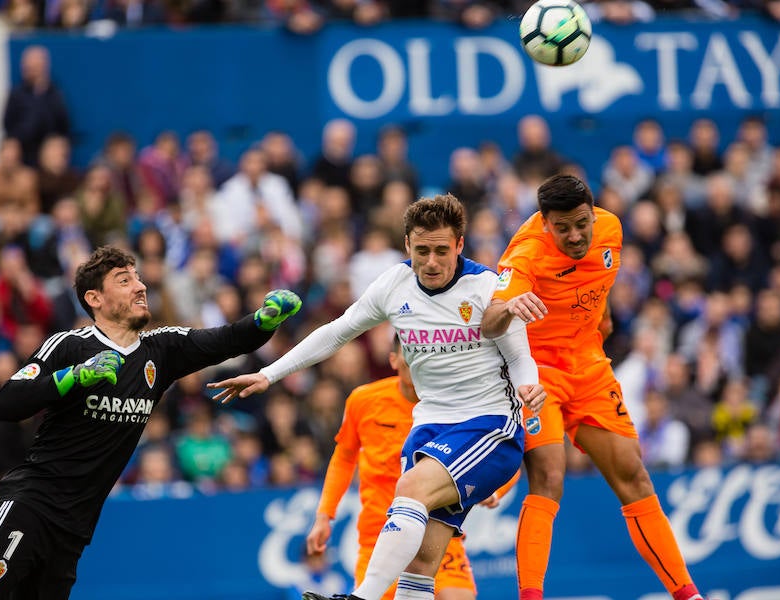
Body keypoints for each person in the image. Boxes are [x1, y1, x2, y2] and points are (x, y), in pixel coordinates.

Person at [209, 194, 545, 600]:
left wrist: (529, 387)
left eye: (442, 250)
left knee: (408, 490)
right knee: (420, 565)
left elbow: (520, 358)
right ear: (407, 245)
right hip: (431, 424)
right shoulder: (394, 284)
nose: (432, 262)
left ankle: (362, 598)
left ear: (459, 244)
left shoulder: (487, 287)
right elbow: (337, 331)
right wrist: (269, 373)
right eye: (422, 251)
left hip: (489, 425)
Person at [0, 246, 302, 600]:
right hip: (30, 504)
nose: (140, 286)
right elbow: (8, 402)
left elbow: (225, 340)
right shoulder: (70, 346)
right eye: (124, 280)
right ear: (95, 298)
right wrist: (75, 377)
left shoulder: (161, 350)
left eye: (138, 277)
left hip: (75, 527)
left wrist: (263, 321)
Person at [480, 174, 705, 600]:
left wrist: (601, 322)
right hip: (535, 371)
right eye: (562, 227)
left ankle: (689, 596)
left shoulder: (612, 228)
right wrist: (508, 307)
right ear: (545, 222)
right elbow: (489, 322)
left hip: (588, 365)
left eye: (581, 223)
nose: (575, 235)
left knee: (634, 476)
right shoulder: (526, 251)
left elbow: (595, 291)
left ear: (592, 212)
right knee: (549, 476)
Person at [305, 335, 519, 600]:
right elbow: (344, 457)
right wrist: (324, 515)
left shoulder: (456, 404)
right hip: (380, 536)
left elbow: (501, 450)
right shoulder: (364, 401)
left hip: (440, 534)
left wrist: (495, 491)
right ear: (394, 360)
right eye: (410, 360)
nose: (418, 367)